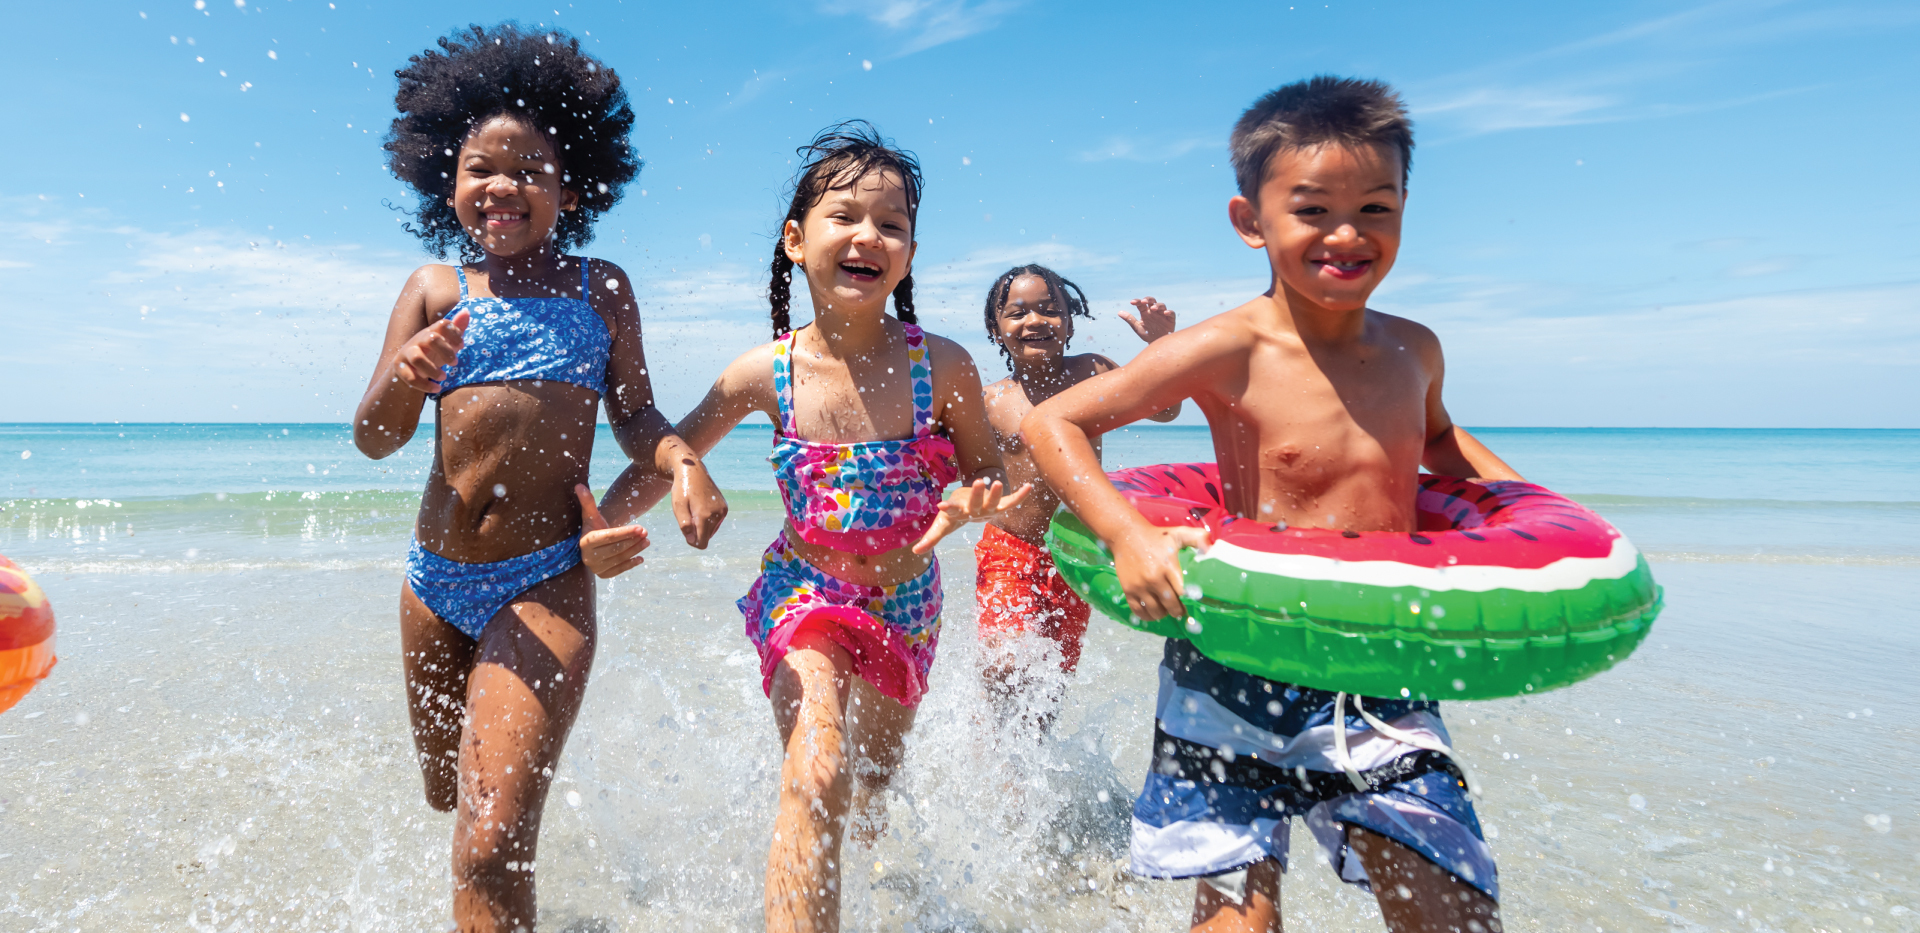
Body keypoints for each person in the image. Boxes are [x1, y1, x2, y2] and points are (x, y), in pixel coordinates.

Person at [1022, 76, 1516, 933]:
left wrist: (1531, 518)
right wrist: (1129, 535)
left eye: (1376, 207)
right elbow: (1054, 420)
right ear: (1251, 221)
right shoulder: (1226, 346)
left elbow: (1440, 446)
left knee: (1451, 907)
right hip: (1233, 663)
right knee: (1239, 914)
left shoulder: (1414, 349)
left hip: (1377, 665)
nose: (1348, 234)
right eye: (1313, 209)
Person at [353, 25, 722, 933]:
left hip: (546, 578)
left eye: (533, 171)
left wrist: (681, 460)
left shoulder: (601, 288)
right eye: (484, 166)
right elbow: (373, 438)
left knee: (490, 837)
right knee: (450, 794)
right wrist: (409, 373)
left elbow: (635, 414)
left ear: (575, 186)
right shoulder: (437, 289)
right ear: (448, 178)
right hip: (433, 585)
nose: (504, 187)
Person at [615, 121, 1026, 933]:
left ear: (907, 253)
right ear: (797, 241)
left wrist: (983, 498)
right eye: (846, 216)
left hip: (908, 603)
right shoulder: (761, 372)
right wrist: (591, 531)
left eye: (892, 223)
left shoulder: (940, 366)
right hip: (804, 590)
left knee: (870, 784)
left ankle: (859, 888)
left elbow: (993, 473)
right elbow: (669, 453)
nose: (869, 234)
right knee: (815, 768)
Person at [974, 265, 1180, 727]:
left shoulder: (1091, 373)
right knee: (1006, 667)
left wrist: (1160, 346)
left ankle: (1029, 782)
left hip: (1074, 553)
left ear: (1070, 321)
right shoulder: (989, 401)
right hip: (1010, 548)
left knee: (1050, 684)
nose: (1035, 321)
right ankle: (988, 747)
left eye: (1050, 310)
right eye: (1017, 312)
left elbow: (1166, 409)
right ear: (996, 328)